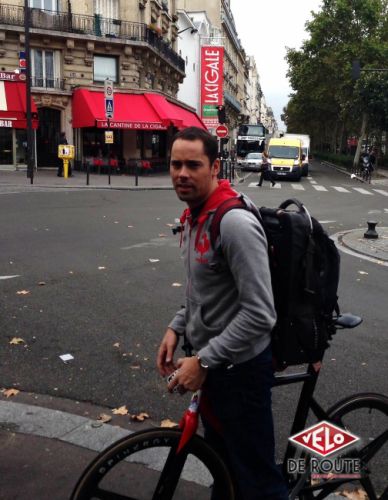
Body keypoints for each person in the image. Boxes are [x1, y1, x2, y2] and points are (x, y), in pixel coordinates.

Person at [157, 127, 288, 500]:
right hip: (215, 367)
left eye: (193, 165)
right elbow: (205, 291)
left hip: (241, 373)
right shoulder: (196, 215)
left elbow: (261, 314)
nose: (182, 173)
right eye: (176, 164)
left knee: (259, 485)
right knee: (224, 472)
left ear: (215, 167)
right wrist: (176, 327)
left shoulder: (233, 223)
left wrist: (205, 360)